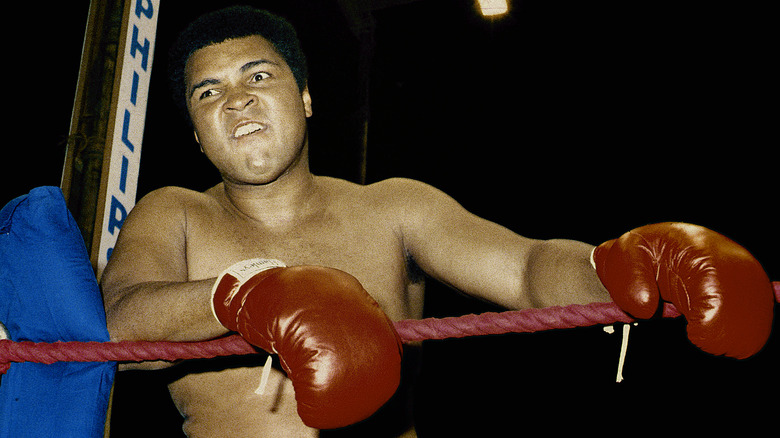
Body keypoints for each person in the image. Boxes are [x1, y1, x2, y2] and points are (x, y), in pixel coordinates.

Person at [100, 6, 774, 437]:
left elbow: (525, 268)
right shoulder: (174, 212)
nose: (237, 100)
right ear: (194, 132)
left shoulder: (394, 208)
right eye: (208, 92)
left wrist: (617, 266)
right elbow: (118, 321)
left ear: (305, 98)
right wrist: (245, 292)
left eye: (258, 77)